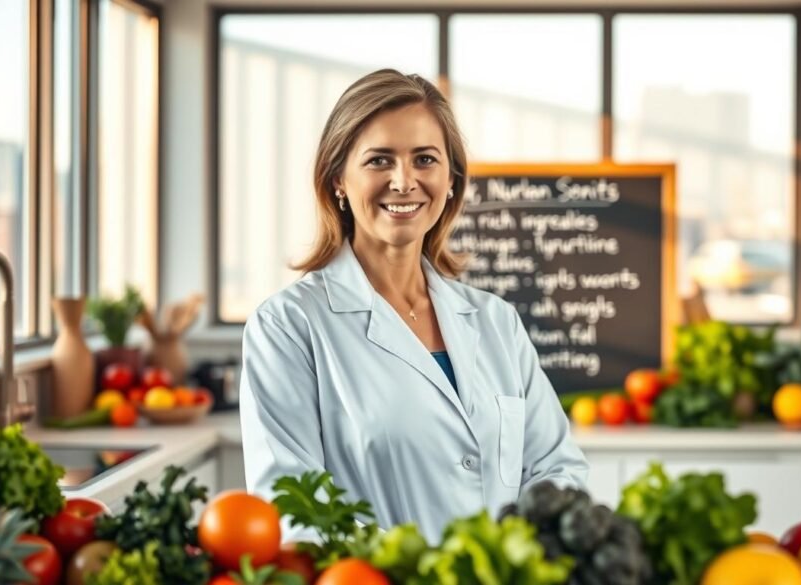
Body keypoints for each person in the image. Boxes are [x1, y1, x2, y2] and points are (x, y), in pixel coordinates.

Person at [238, 69, 589, 543]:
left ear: (450, 181)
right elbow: (293, 510)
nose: (404, 181)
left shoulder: (495, 321)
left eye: (425, 159)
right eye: (380, 160)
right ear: (338, 178)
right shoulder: (288, 326)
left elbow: (556, 466)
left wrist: (510, 556)